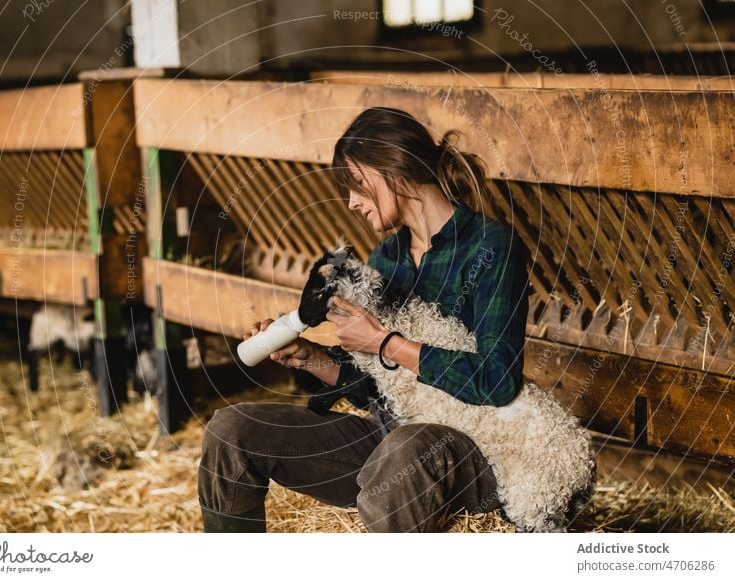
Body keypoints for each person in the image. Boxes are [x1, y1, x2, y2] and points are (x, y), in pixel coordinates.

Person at [198, 106, 531, 533]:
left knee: (403, 451)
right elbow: (378, 386)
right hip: (389, 437)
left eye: (355, 185)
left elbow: (496, 382)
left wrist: (386, 343)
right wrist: (309, 358)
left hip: (466, 445)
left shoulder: (490, 248)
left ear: (392, 169)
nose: (352, 203)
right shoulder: (387, 258)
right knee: (232, 431)